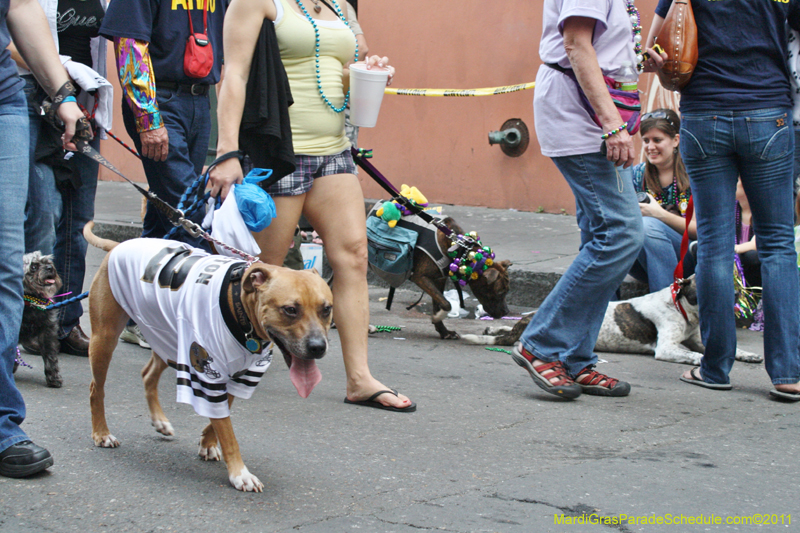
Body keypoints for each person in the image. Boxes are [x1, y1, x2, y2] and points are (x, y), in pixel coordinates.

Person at [211, 0, 414, 412]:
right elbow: (234, 73)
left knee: (354, 256)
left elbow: (331, 69)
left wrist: (367, 72)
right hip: (279, 152)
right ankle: (226, 367)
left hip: (334, 151)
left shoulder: (337, 4)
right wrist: (227, 151)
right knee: (262, 268)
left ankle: (359, 379)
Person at [645, 0, 800, 400]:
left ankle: (715, 368)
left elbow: (652, 51)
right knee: (779, 245)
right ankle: (787, 374)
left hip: (704, 113)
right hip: (769, 110)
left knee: (713, 244)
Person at [511, 0, 650, 400]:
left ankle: (573, 357)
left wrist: (638, 59)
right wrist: (611, 124)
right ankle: (542, 343)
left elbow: (597, 43)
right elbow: (575, 43)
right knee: (621, 233)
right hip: (584, 119)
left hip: (591, 116)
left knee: (601, 236)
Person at [99, 0, 226, 347]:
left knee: (165, 214)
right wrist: (147, 119)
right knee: (191, 209)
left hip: (201, 100)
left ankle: (139, 314)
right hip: (161, 100)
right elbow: (128, 45)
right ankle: (196, 323)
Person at [0, 0, 86, 478]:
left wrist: (62, 92)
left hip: (3, 102)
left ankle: (2, 423)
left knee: (6, 266)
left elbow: (21, 7)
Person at [630, 108, 696, 292]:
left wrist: (659, 215)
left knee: (648, 225)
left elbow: (703, 231)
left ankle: (667, 304)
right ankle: (604, 313)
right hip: (645, 259)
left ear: (676, 140)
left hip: (690, 257)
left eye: (657, 140)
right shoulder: (637, 175)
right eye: (646, 140)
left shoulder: (695, 174)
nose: (650, 147)